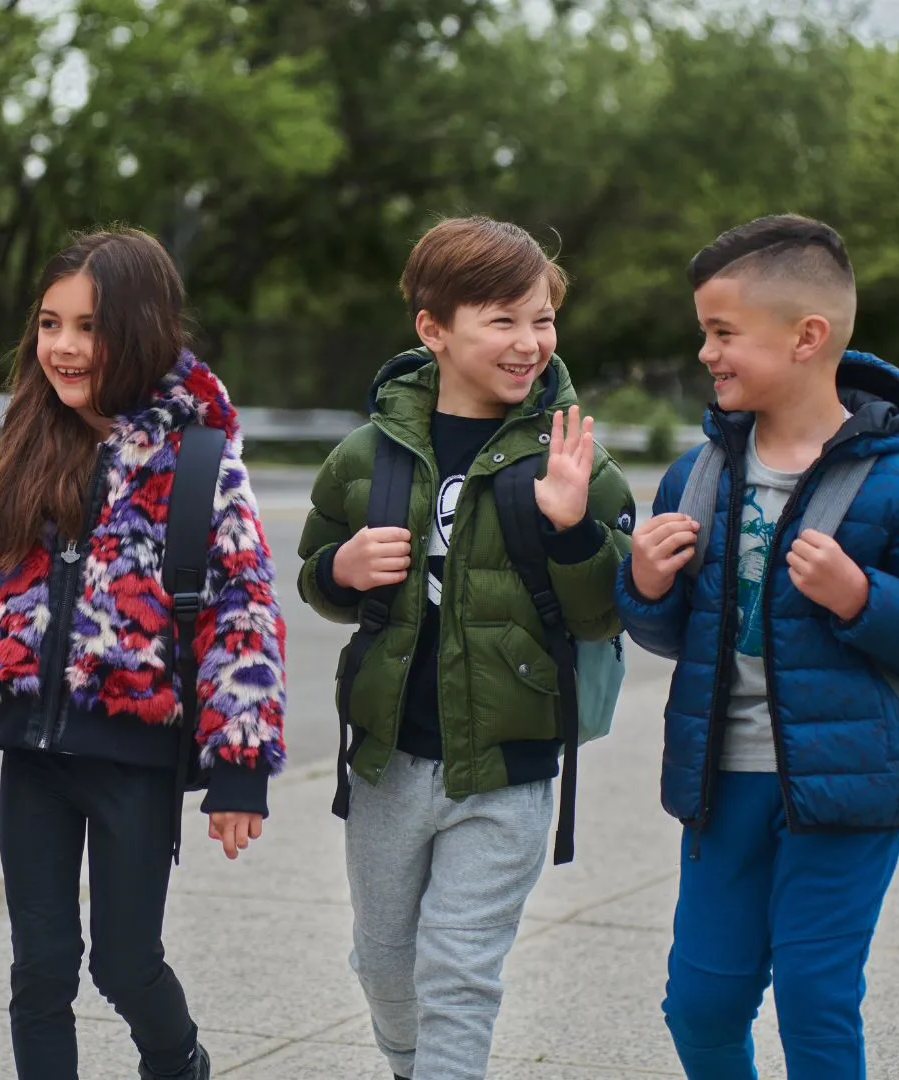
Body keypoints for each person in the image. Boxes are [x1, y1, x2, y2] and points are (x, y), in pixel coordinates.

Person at [0, 227, 286, 1080]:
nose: (64, 346)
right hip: (31, 752)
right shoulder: (9, 454)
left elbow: (241, 619)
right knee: (39, 970)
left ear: (143, 328)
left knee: (125, 964)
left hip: (134, 754)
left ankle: (178, 1061)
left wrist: (238, 767)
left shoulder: (197, 464)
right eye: (50, 323)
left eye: (89, 326)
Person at [297, 216, 635, 1080]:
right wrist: (341, 567)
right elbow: (315, 580)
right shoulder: (364, 458)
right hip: (388, 762)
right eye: (503, 319)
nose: (529, 343)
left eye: (543, 319)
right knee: (384, 964)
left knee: (458, 972)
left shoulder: (573, 460)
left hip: (509, 768)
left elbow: (605, 616)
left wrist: (570, 531)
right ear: (433, 328)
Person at [615, 214, 899, 1079]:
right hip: (721, 782)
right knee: (701, 1005)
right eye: (704, 332)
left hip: (848, 783)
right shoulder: (698, 473)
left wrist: (863, 599)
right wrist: (642, 585)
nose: (708, 353)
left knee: (814, 998)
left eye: (723, 333)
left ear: (807, 337)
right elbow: (670, 634)